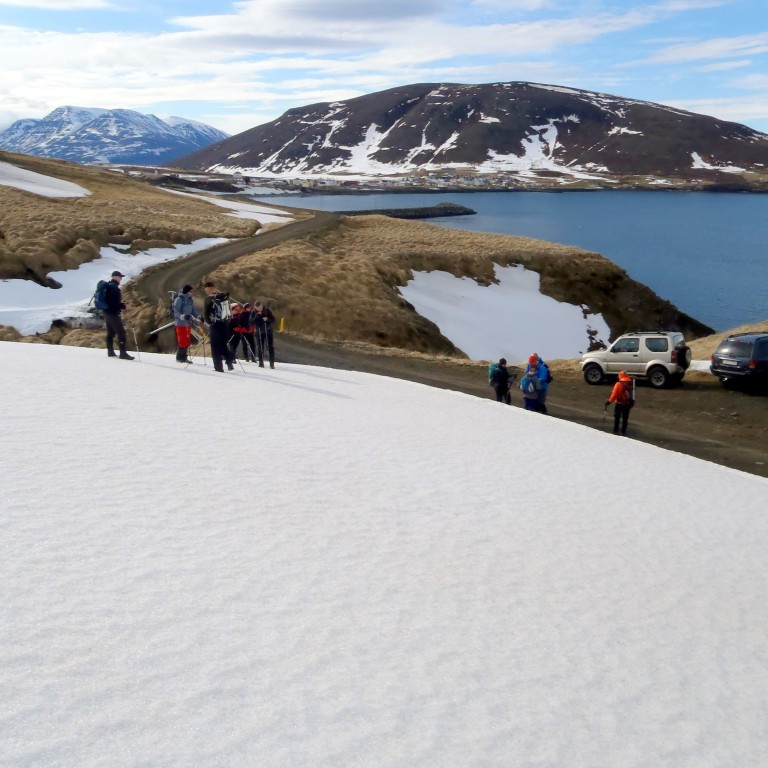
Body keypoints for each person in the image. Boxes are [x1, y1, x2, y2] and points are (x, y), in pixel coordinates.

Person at [203, 282, 235, 372]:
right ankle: (229, 361)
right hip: (225, 325)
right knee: (223, 345)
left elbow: (206, 313)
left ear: (208, 289)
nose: (206, 292)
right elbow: (230, 313)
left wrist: (209, 322)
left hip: (215, 324)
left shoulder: (209, 299)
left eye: (206, 290)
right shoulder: (224, 297)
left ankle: (218, 368)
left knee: (215, 347)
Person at [103, 270, 134, 360]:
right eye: (120, 277)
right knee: (121, 333)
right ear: (115, 277)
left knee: (111, 333)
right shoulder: (114, 288)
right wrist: (123, 306)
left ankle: (110, 351)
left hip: (106, 312)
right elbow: (114, 303)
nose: (121, 279)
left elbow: (110, 301)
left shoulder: (109, 286)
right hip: (112, 313)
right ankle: (123, 353)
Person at [172, 284, 200, 363]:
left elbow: (193, 310)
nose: (192, 293)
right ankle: (179, 357)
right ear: (187, 292)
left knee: (187, 340)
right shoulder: (179, 299)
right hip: (180, 323)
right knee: (182, 340)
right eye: (191, 291)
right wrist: (182, 316)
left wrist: (199, 316)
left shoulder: (190, 300)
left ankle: (184, 357)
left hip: (188, 323)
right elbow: (175, 311)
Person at [606, 370, 635, 435]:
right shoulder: (630, 383)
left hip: (619, 404)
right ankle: (623, 431)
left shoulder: (618, 384)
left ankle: (615, 431)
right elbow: (632, 393)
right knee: (625, 418)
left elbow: (614, 395)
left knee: (617, 417)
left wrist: (609, 402)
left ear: (620, 376)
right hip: (627, 404)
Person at [251, 301, 276, 369]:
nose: (259, 310)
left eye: (260, 308)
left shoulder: (267, 310)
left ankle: (272, 364)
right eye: (257, 309)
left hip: (268, 331)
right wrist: (258, 315)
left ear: (262, 306)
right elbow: (251, 322)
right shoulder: (254, 312)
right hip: (258, 332)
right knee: (260, 347)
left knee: (270, 347)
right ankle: (261, 363)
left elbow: (273, 320)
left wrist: (267, 319)